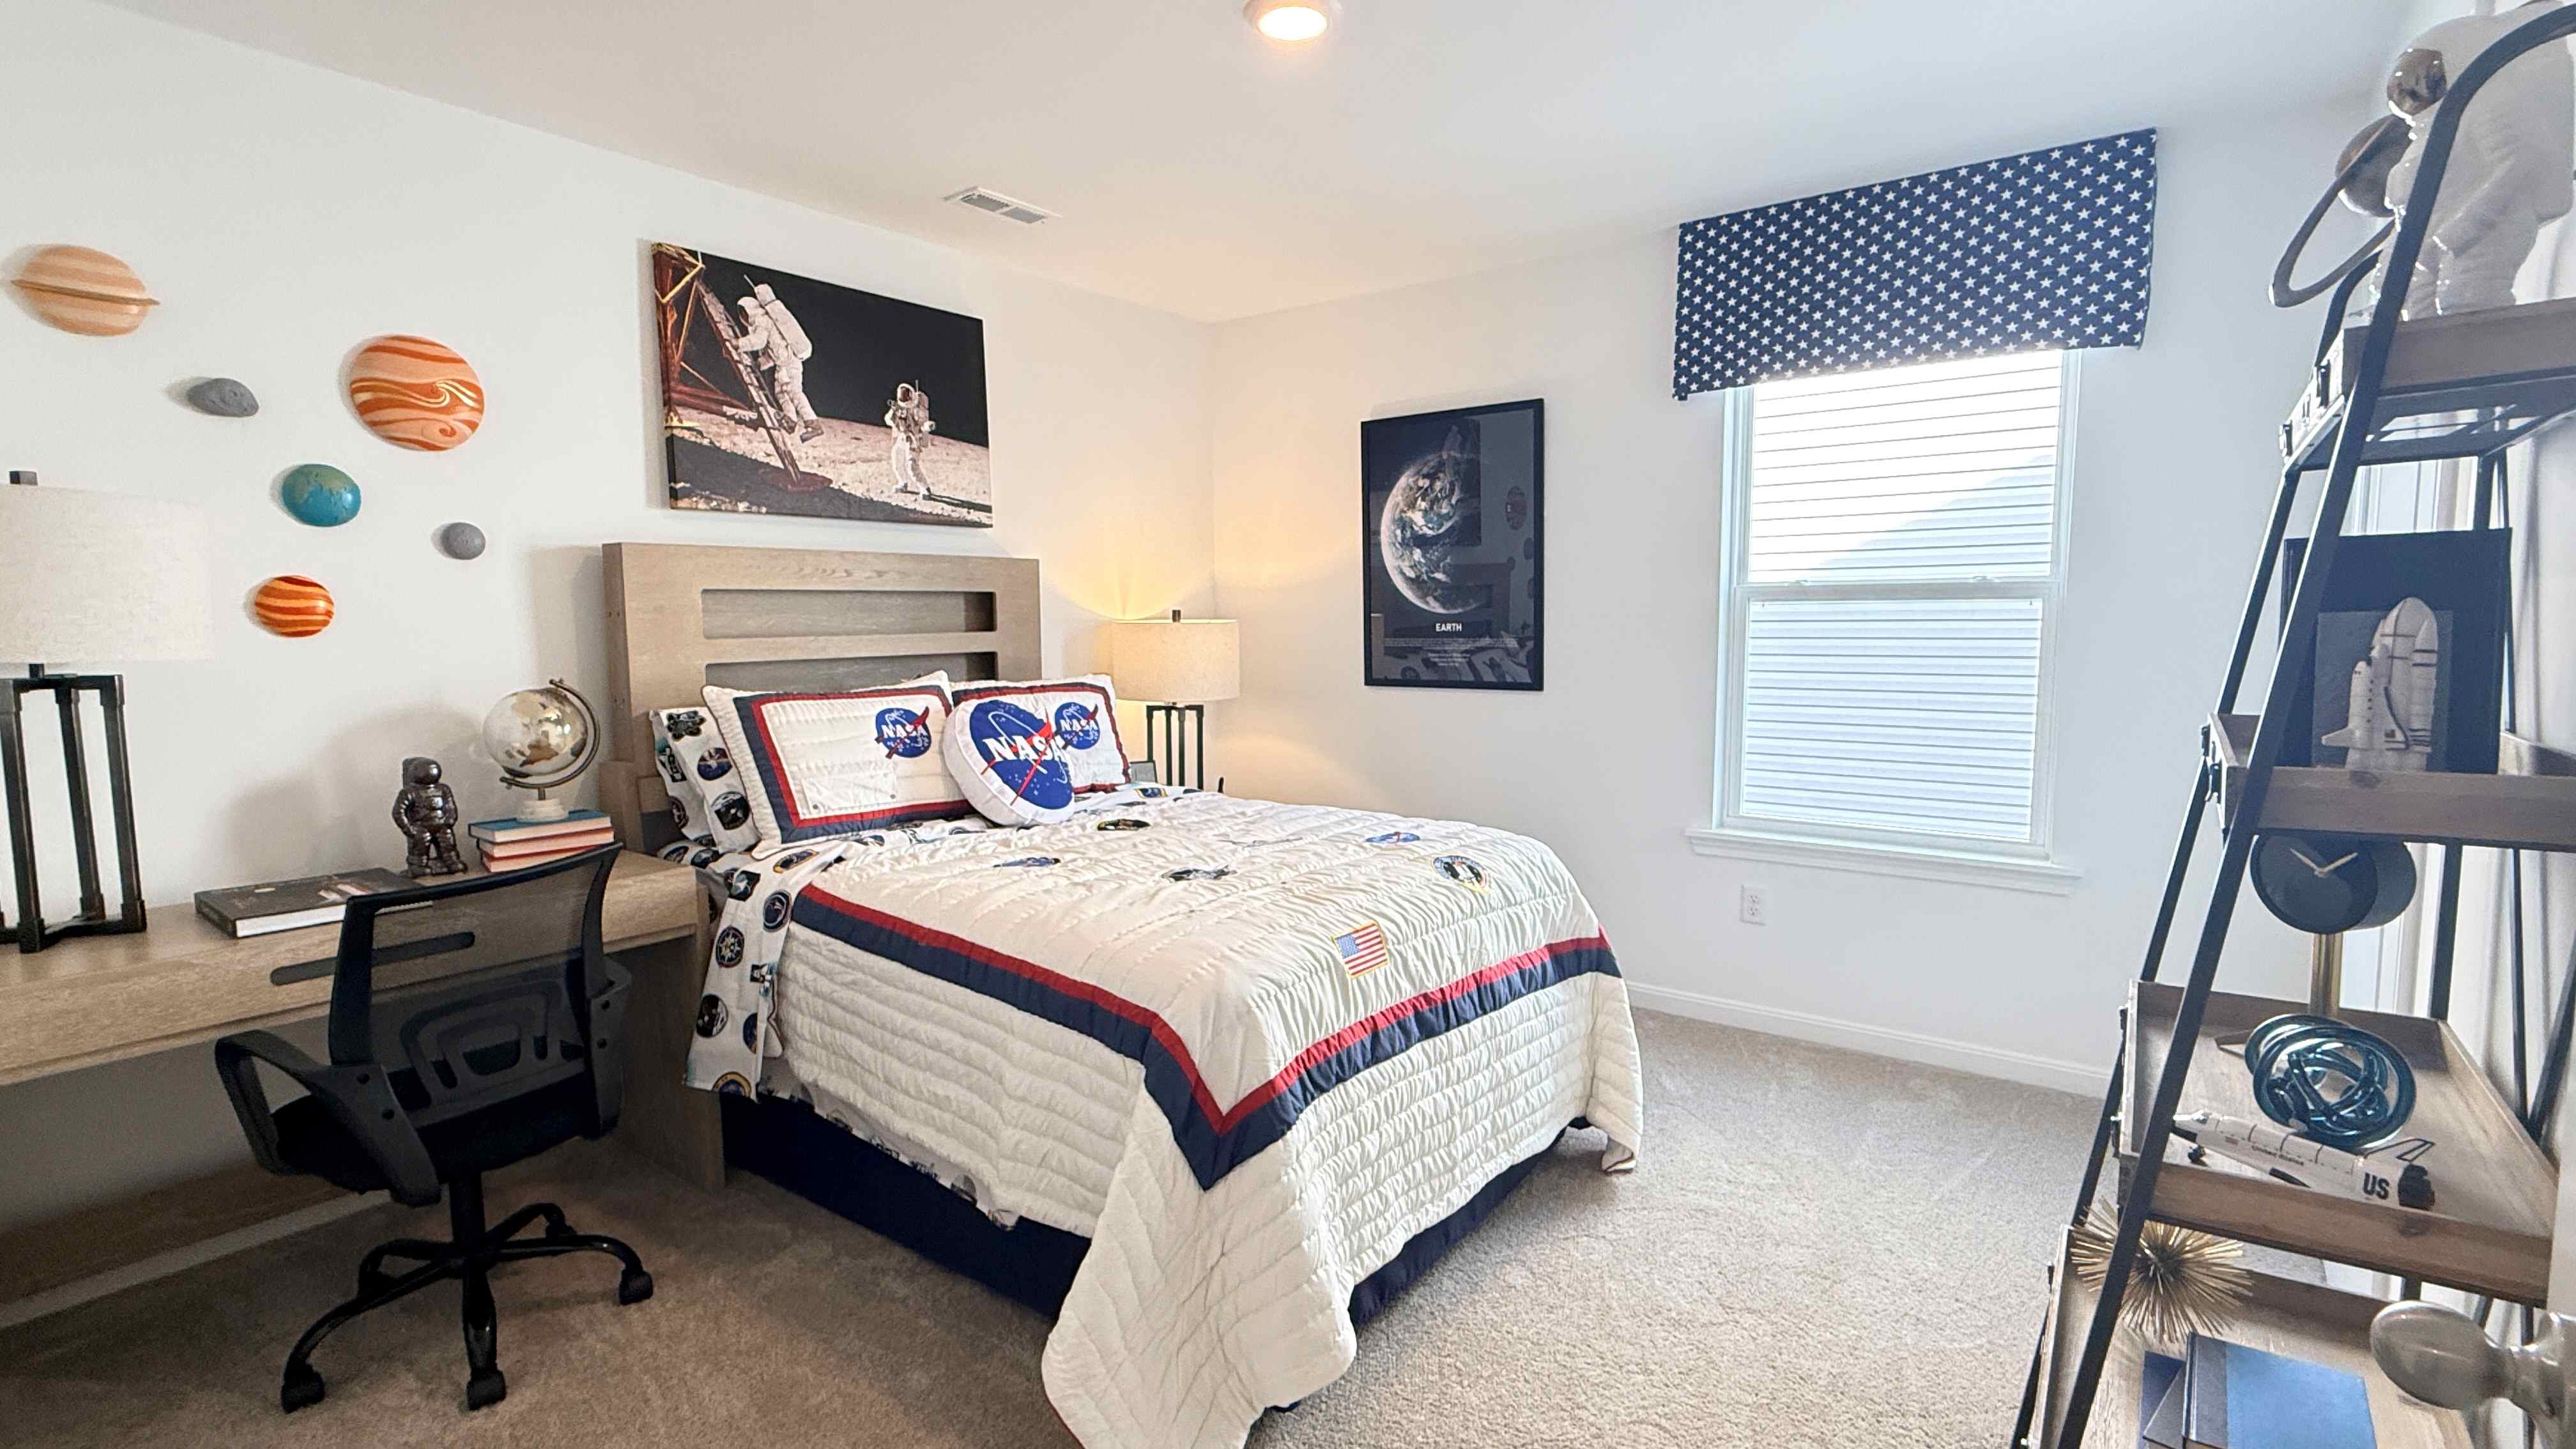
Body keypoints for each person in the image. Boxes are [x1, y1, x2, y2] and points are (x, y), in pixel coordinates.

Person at [732, 282, 822, 441]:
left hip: (790, 364)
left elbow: (758, 341)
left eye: (744, 313)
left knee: (794, 392)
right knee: (782, 393)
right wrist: (760, 364)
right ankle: (790, 421)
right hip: (783, 364)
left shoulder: (763, 322)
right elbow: (773, 354)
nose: (744, 318)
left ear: (750, 310)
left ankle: (814, 425)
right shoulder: (764, 322)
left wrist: (739, 344)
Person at [886, 381, 936, 495]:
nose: (904, 398)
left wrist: (927, 426)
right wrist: (893, 413)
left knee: (911, 465)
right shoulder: (899, 407)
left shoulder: (918, 408)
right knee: (897, 461)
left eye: (906, 396)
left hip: (913, 439)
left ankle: (925, 488)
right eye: (902, 396)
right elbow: (888, 420)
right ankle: (903, 482)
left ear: (912, 395)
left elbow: (923, 424)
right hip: (901, 437)